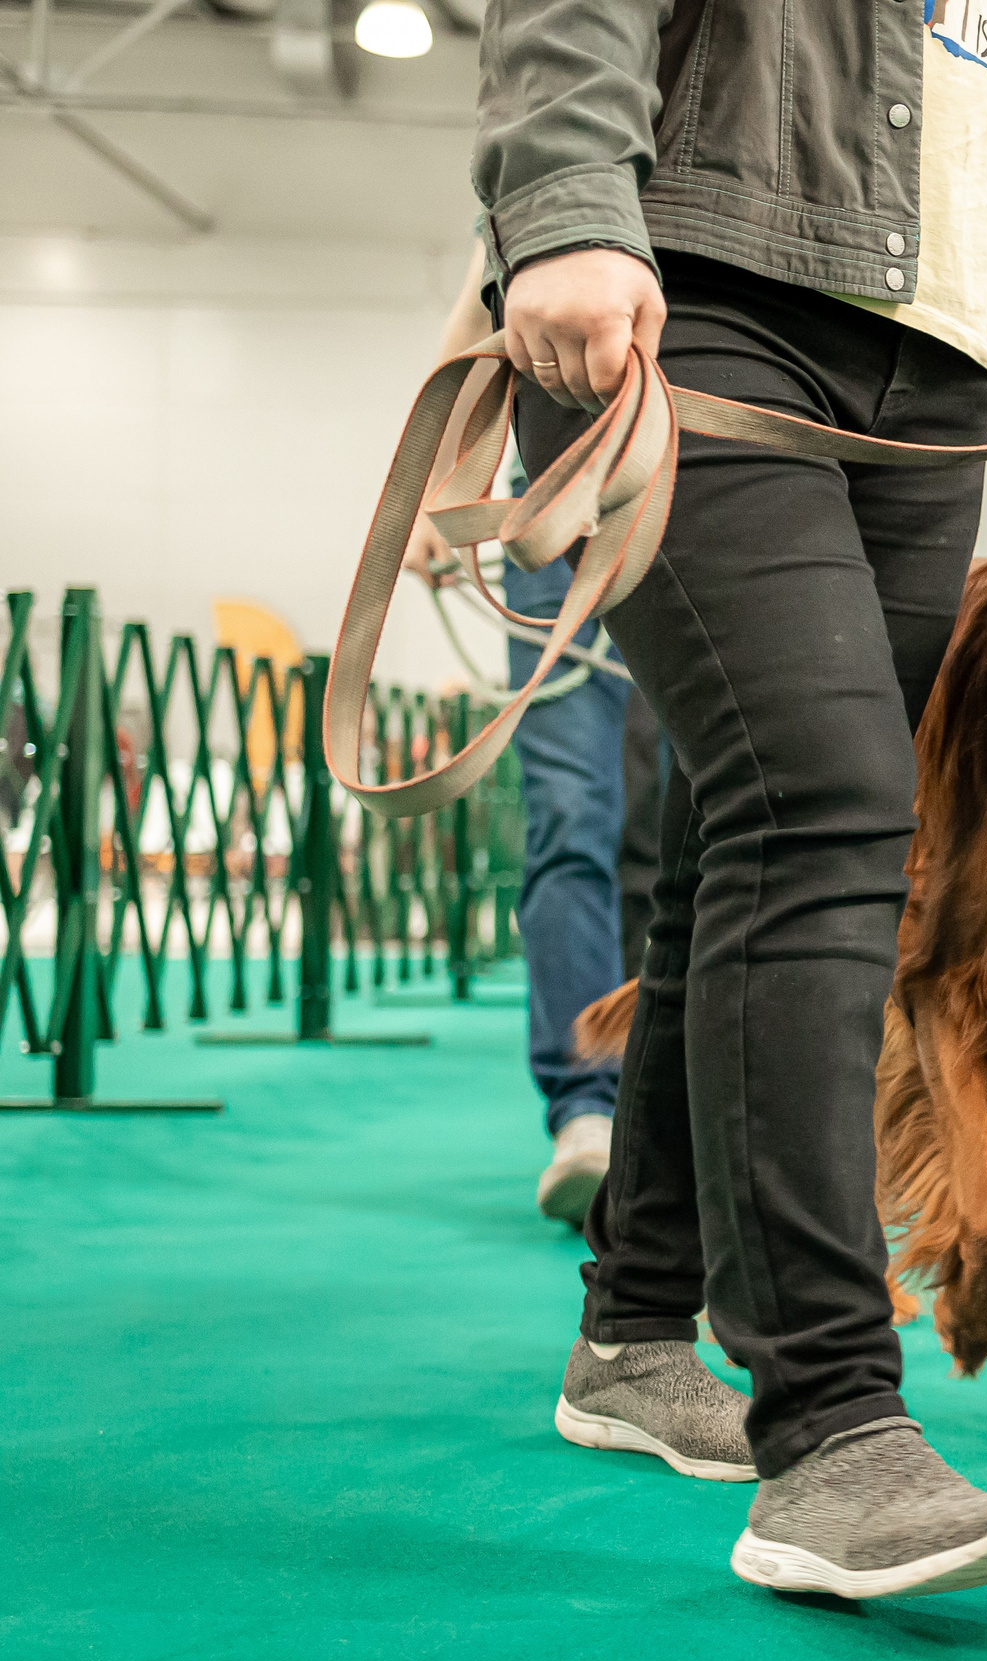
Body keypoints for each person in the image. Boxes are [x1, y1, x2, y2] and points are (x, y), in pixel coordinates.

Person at [475, 0, 987, 1599]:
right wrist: (567, 209)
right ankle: (831, 1427)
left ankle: (633, 1333)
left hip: (936, 377)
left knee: (742, 829)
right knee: (833, 809)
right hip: (712, 301)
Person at [404, 245, 631, 1229]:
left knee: (706, 823)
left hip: (712, 506)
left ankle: (689, 1115)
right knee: (572, 809)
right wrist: (432, 491)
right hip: (557, 519)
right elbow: (478, 323)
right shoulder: (553, 145)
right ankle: (587, 1109)